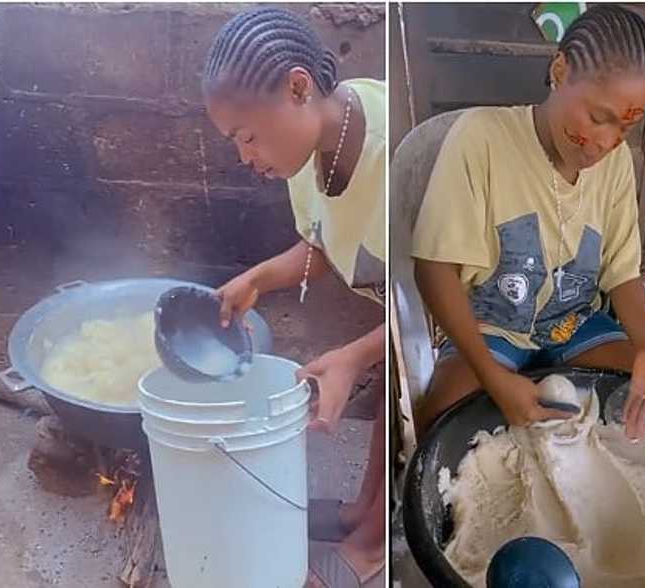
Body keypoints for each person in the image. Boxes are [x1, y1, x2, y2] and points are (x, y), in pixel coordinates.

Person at [411, 5, 645, 441]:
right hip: (491, 328)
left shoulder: (617, 167)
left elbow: (622, 272)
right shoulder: (482, 139)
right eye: (597, 118)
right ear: (559, 70)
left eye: (625, 129)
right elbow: (433, 269)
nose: (606, 144)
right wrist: (495, 380)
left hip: (577, 325)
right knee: (437, 422)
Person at [203, 7, 386, 586]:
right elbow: (324, 246)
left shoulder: (392, 154)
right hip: (411, 309)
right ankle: (363, 513)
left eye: (248, 136)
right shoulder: (312, 147)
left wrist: (353, 356)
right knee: (390, 385)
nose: (243, 156)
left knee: (407, 388)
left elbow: (434, 298)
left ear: (298, 87)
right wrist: (258, 278)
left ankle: (376, 548)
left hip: (473, 305)